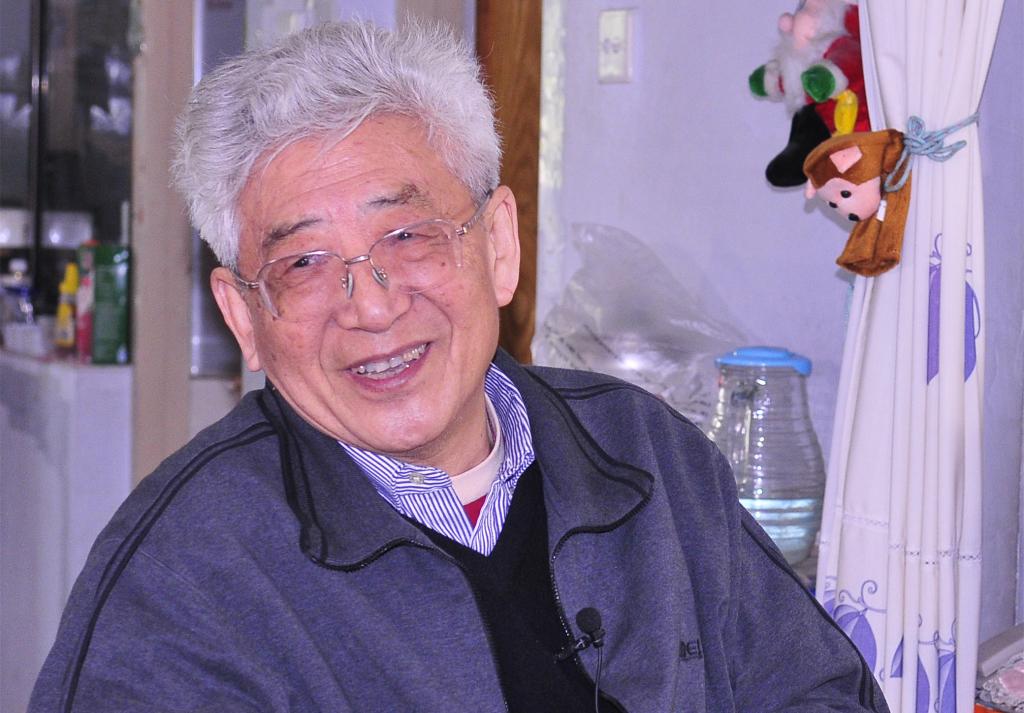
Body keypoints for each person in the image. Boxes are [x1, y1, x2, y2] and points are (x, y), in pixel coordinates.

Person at [30, 20, 888, 713]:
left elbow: (820, 690)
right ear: (243, 317)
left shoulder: (649, 454)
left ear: (500, 246)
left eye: (408, 235)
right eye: (304, 263)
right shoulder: (182, 575)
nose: (371, 305)